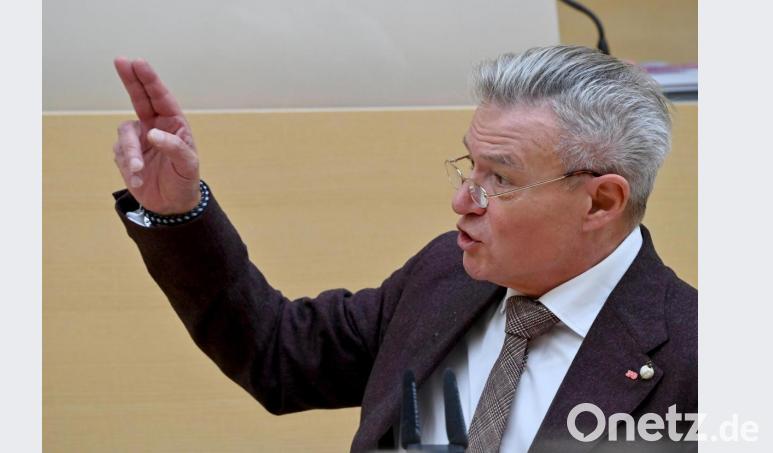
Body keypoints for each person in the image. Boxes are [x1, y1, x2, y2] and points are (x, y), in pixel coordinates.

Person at [112, 46, 696, 452]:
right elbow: (277, 355)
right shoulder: (446, 273)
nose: (463, 200)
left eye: (501, 178)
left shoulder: (699, 361)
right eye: (471, 166)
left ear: (601, 202)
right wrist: (178, 212)